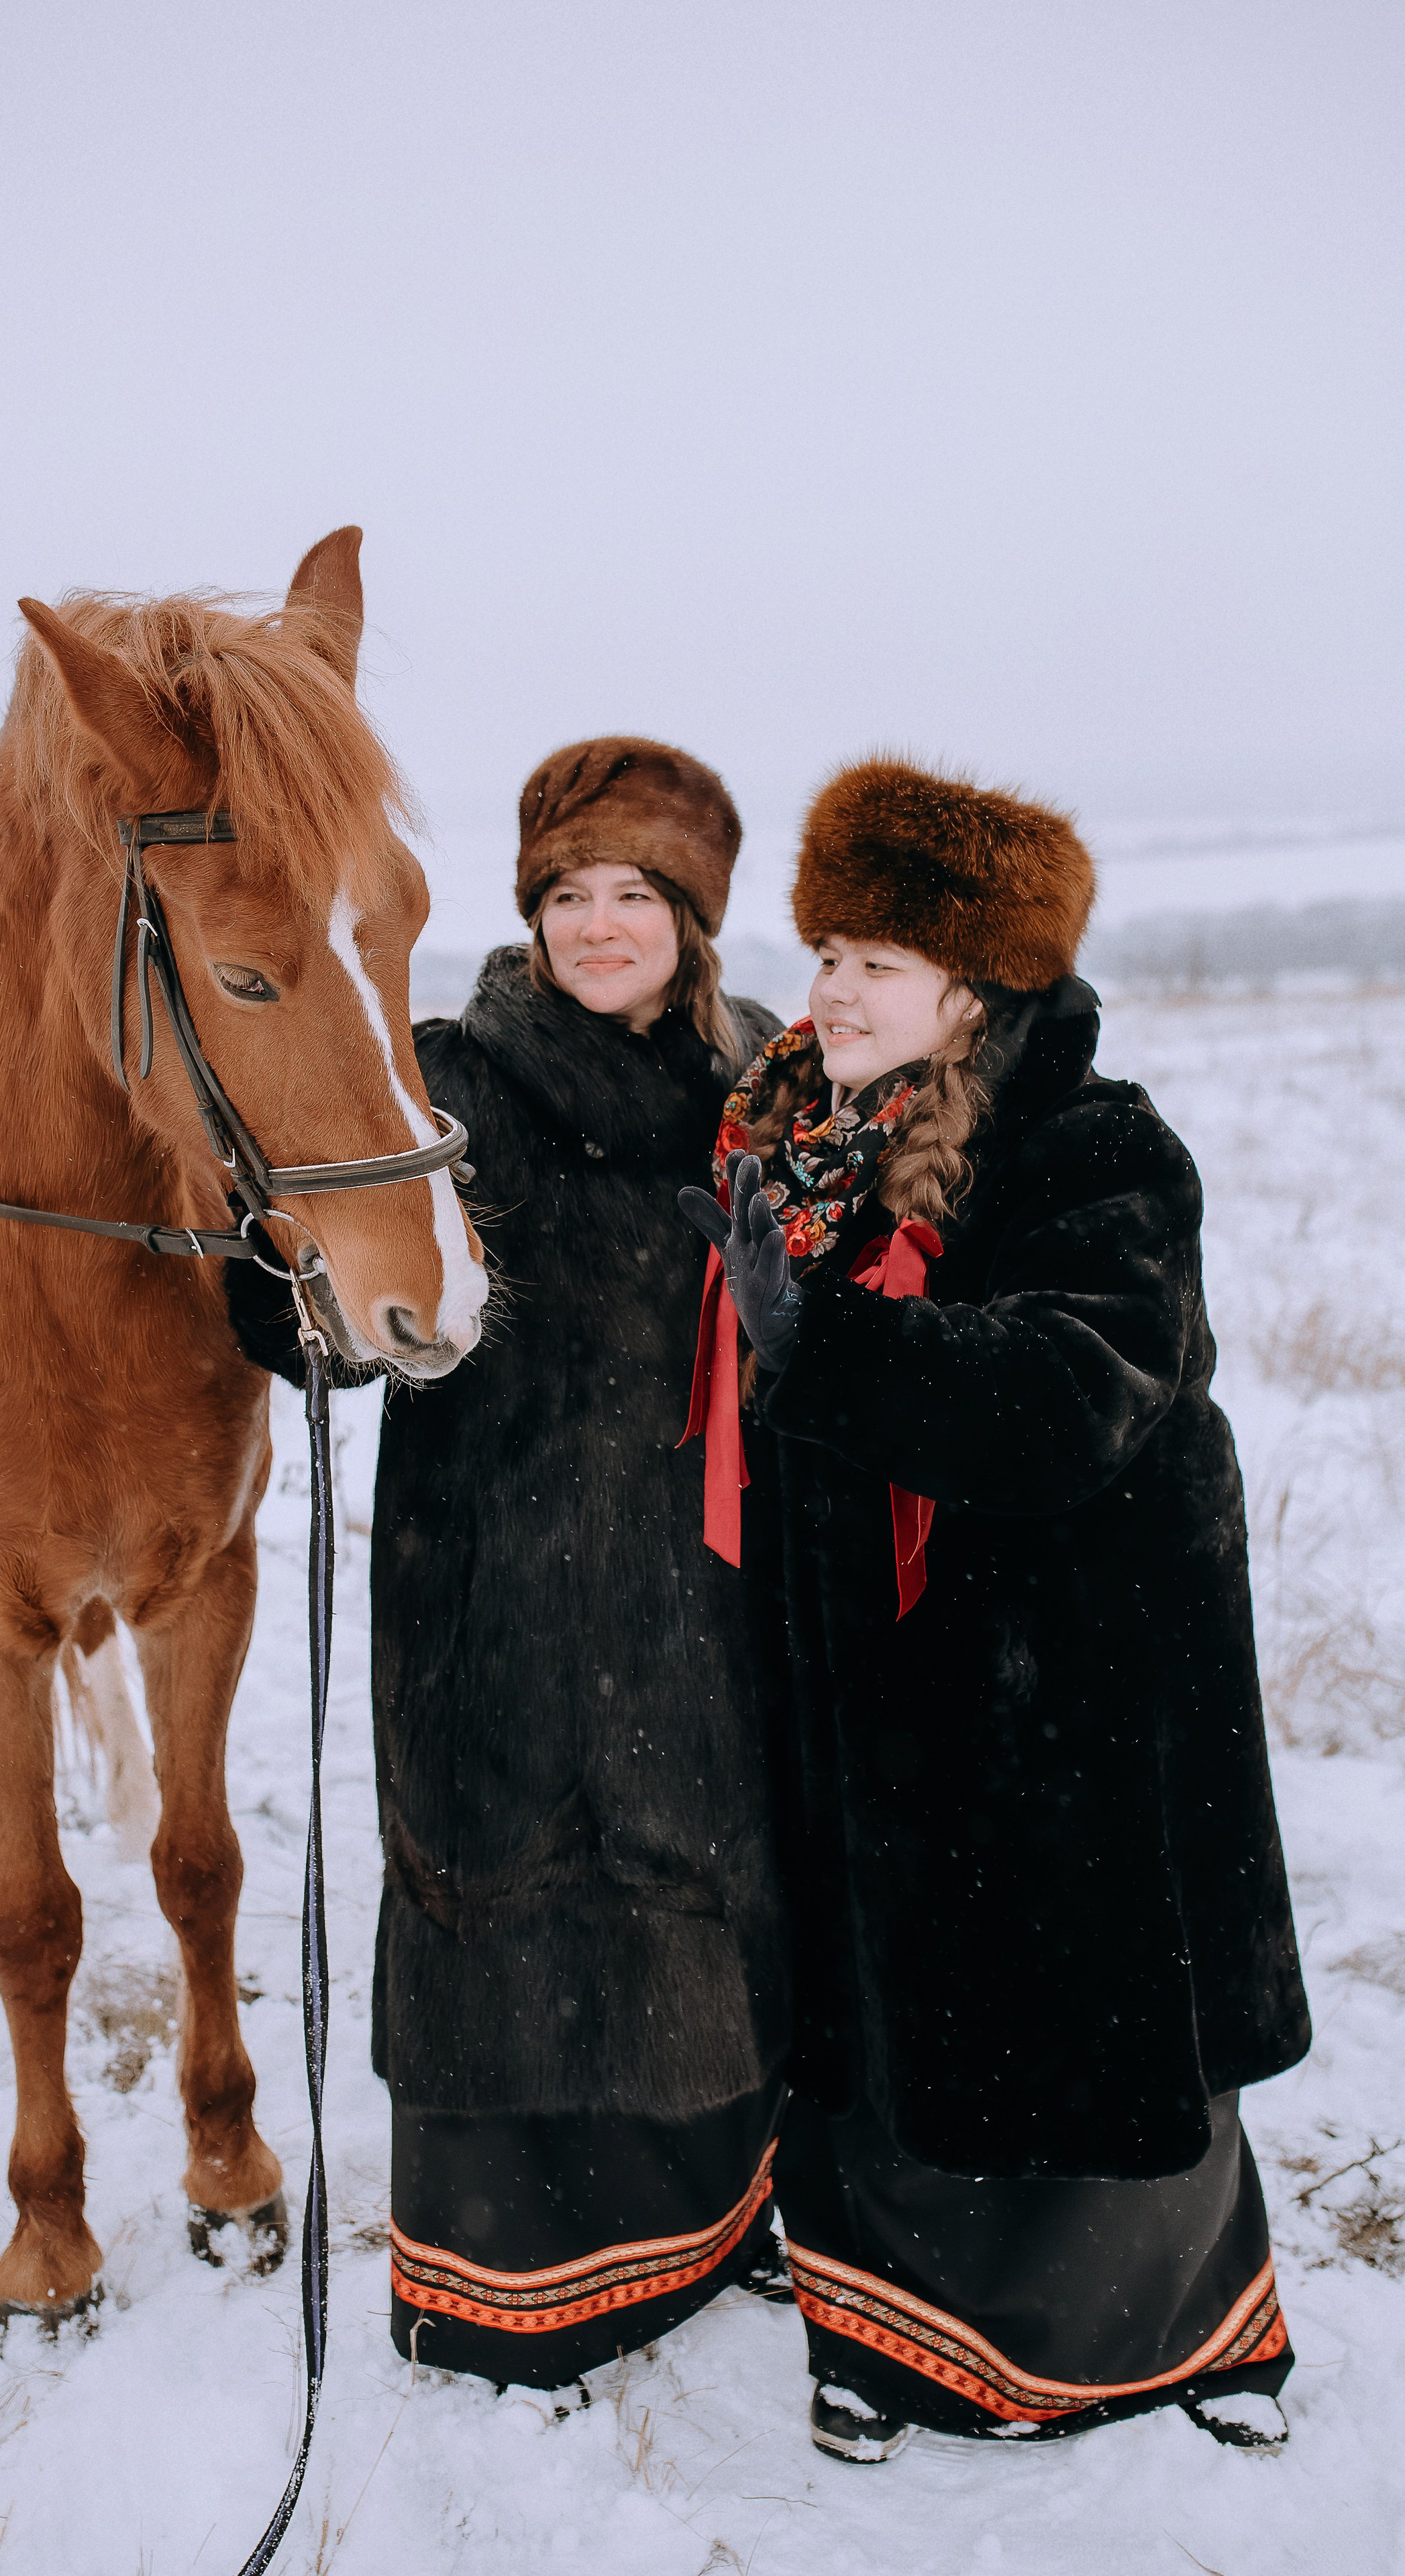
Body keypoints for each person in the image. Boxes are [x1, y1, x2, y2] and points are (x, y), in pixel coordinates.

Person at [681, 758, 1310, 2461]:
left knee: (1104, 2024)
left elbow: (1073, 1390)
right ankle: (880, 2349)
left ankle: (1181, 2342)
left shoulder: (1097, 1146)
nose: (827, 993)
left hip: (1079, 1686)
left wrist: (833, 1344)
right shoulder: (791, 1140)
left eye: (873, 965)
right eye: (821, 955)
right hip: (874, 1685)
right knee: (891, 2023)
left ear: (976, 987)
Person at [230, 737, 791, 2386]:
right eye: (567, 895)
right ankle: (510, 2288)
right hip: (500, 1590)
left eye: (635, 895)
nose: (598, 925)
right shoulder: (444, 1080)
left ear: (693, 918)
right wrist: (296, 1287)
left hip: (709, 1590)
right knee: (514, 1904)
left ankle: (711, 2223)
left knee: (703, 1888)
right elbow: (306, 1296)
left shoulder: (762, 1084)